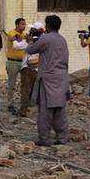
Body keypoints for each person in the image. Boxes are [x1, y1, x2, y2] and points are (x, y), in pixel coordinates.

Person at [26, 15, 71, 146]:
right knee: (60, 110)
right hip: (62, 77)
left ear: (48, 26)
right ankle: (62, 137)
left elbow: (31, 50)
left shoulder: (46, 39)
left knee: (46, 110)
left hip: (48, 78)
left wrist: (30, 40)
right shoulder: (62, 40)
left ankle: (44, 138)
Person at [15, 23, 42, 118]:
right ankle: (36, 109)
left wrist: (17, 39)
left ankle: (23, 111)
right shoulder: (43, 40)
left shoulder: (29, 41)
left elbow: (17, 46)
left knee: (25, 90)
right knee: (36, 90)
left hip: (27, 68)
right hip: (38, 68)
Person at [3, 18, 28, 114]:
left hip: (23, 62)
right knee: (12, 85)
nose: (24, 26)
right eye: (22, 24)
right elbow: (15, 39)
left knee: (25, 85)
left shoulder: (25, 35)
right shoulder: (11, 33)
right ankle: (10, 104)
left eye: (24, 24)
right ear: (17, 25)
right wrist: (25, 39)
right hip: (12, 62)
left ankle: (24, 105)